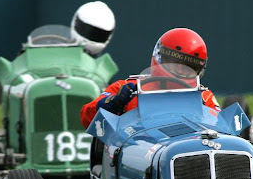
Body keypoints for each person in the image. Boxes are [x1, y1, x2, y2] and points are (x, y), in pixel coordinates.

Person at [80, 27, 220, 128]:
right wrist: (115, 101)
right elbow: (86, 117)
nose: (179, 70)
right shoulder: (127, 88)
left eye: (188, 66)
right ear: (159, 56)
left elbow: (220, 128)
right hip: (136, 153)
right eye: (174, 63)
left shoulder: (203, 96)